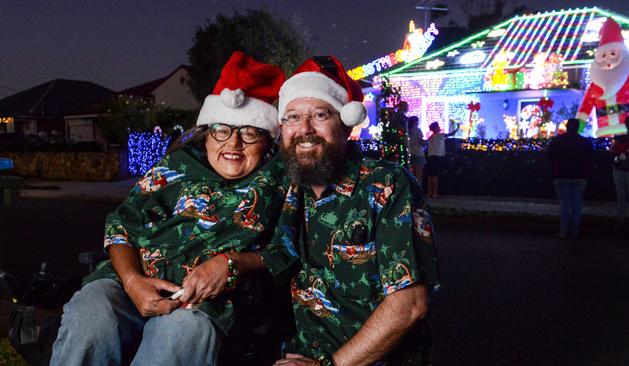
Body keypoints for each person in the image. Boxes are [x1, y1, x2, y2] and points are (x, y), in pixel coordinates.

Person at [50, 52, 298, 366]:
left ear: (267, 140)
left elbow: (284, 249)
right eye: (222, 129)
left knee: (181, 336)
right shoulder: (176, 165)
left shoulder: (279, 180)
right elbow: (122, 223)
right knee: (92, 316)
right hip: (129, 281)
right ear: (208, 133)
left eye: (249, 132)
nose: (233, 144)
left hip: (200, 302)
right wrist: (132, 282)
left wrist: (230, 264)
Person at [273, 55, 439, 366]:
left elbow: (409, 305)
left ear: (346, 124)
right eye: (292, 117)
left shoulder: (388, 185)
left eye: (320, 114)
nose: (304, 129)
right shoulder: (284, 187)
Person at [547, 118, 593, 239]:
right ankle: (575, 232)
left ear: (567, 127)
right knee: (577, 204)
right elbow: (589, 159)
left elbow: (550, 157)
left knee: (564, 204)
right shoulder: (585, 142)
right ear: (578, 128)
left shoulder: (557, 141)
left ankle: (563, 231)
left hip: (561, 175)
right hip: (580, 176)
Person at [425, 120, 459, 198]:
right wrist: (457, 128)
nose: (440, 127)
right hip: (437, 157)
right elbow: (451, 134)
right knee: (435, 175)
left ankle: (430, 192)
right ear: (435, 128)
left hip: (430, 156)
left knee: (430, 175)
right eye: (438, 126)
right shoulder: (440, 135)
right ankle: (435, 193)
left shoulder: (431, 137)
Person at [407, 116, 426, 183]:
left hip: (410, 153)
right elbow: (422, 142)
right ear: (415, 122)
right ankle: (418, 190)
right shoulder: (417, 130)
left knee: (411, 173)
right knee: (419, 174)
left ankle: (411, 189)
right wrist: (426, 143)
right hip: (418, 153)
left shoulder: (407, 130)